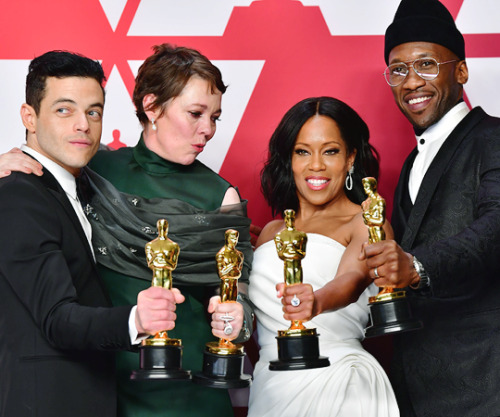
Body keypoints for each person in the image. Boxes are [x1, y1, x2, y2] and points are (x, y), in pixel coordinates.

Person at [0, 44, 254, 417]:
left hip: (184, 387)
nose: (208, 130)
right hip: (97, 381)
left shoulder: (222, 194)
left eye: (215, 117)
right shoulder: (89, 166)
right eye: (196, 113)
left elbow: (238, 295)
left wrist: (237, 318)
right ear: (151, 107)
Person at [360, 1, 500, 416]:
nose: (411, 82)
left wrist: (416, 267)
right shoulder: (410, 163)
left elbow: (496, 225)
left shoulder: (493, 137)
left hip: (485, 378)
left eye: (426, 65)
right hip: (416, 384)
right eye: (398, 70)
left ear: (460, 71)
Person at [247, 96, 399, 417]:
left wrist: (315, 302)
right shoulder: (272, 232)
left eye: (330, 151)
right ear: (288, 159)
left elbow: (351, 278)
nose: (316, 165)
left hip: (340, 382)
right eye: (303, 151)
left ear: (350, 158)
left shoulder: (365, 221)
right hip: (270, 388)